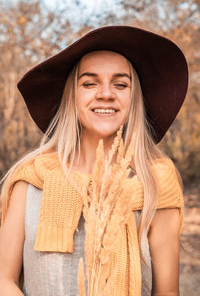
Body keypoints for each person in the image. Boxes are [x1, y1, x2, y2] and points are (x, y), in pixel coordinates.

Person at [0, 26, 188, 296]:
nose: (106, 93)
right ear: (72, 97)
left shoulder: (155, 180)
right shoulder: (31, 178)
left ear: (134, 98)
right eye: (89, 83)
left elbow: (167, 291)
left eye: (121, 84)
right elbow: (3, 278)